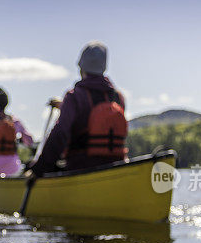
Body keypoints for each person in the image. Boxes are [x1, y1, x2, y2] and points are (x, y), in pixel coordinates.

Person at [29, 41, 128, 176]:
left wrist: (38, 169)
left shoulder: (74, 96)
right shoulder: (118, 97)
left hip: (81, 167)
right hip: (116, 166)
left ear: (81, 67)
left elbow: (60, 135)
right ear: (104, 67)